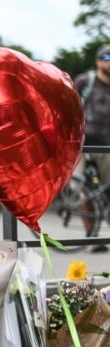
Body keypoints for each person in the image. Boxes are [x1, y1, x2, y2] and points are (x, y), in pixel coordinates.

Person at [74, 44, 110, 252]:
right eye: (106, 57)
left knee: (107, 190)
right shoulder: (85, 82)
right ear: (98, 61)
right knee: (80, 190)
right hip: (81, 145)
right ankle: (91, 237)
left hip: (106, 146)